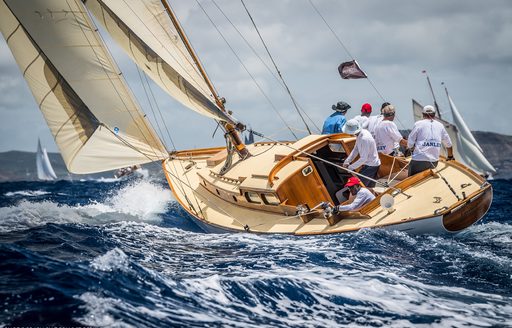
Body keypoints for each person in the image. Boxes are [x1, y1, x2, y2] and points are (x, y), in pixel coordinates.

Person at [407, 105, 454, 176]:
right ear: (434, 114)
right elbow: (449, 144)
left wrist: (411, 148)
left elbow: (409, 144)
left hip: (418, 161)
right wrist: (450, 156)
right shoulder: (440, 125)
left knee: (411, 182)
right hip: (434, 162)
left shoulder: (418, 124)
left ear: (423, 114)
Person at [342, 119, 381, 187]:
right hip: (369, 164)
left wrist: (350, 167)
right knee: (367, 186)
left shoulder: (364, 138)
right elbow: (356, 149)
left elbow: (363, 158)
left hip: (371, 165)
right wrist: (347, 161)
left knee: (359, 186)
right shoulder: (361, 134)